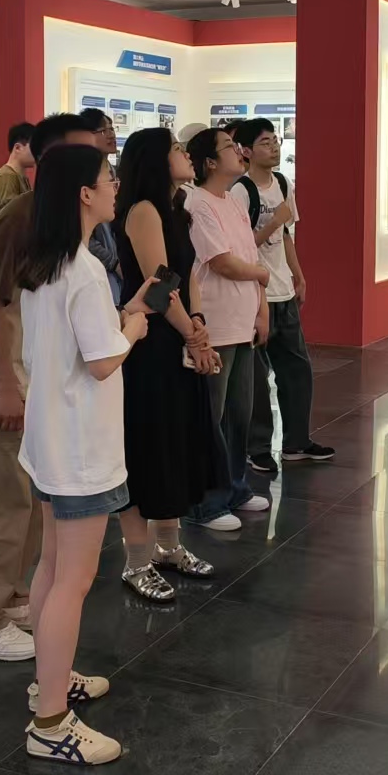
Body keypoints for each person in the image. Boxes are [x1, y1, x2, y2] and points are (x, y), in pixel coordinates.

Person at [17, 143, 152, 766]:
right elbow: (102, 361)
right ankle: (51, 722)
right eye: (107, 177)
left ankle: (50, 677)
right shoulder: (85, 269)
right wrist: (133, 329)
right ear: (84, 193)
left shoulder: (44, 264)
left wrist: (119, 320)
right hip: (80, 449)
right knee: (72, 580)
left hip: (51, 441)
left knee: (52, 568)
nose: (115, 185)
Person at [0, 112, 98, 663]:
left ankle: (11, 596)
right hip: (1, 383)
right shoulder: (20, 219)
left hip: (33, 382)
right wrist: (8, 386)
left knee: (31, 502)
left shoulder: (56, 218)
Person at [114, 128, 221, 600]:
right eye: (177, 148)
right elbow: (159, 286)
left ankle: (169, 547)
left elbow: (188, 274)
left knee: (174, 443)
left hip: (176, 334)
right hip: (149, 343)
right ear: (157, 160)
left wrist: (197, 324)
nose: (186, 154)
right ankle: (137, 561)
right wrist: (192, 335)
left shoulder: (177, 208)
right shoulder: (143, 211)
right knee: (146, 448)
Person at [230, 118, 332, 474]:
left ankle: (296, 442)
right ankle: (257, 447)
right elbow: (240, 248)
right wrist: (273, 222)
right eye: (265, 142)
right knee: (256, 379)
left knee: (297, 370)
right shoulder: (240, 192)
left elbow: (286, 236)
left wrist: (298, 276)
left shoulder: (283, 183)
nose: (274, 146)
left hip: (283, 292)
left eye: (275, 140)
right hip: (254, 296)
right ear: (245, 151)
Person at [184, 127, 270, 532]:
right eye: (228, 147)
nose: (238, 151)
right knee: (212, 417)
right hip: (216, 325)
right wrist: (261, 277)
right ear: (210, 162)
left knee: (239, 414)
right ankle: (206, 501)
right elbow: (222, 262)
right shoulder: (197, 203)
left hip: (242, 323)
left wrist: (261, 309)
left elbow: (251, 258)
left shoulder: (232, 200)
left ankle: (235, 487)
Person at [77, 108, 124, 306]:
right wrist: (112, 262)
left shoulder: (114, 170)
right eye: (105, 130)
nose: (111, 135)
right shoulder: (81, 175)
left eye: (112, 129)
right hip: (102, 267)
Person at [0, 120, 35, 213]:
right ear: (17, 148)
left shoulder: (21, 177)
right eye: (33, 147)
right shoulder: (7, 175)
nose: (37, 152)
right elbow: (10, 214)